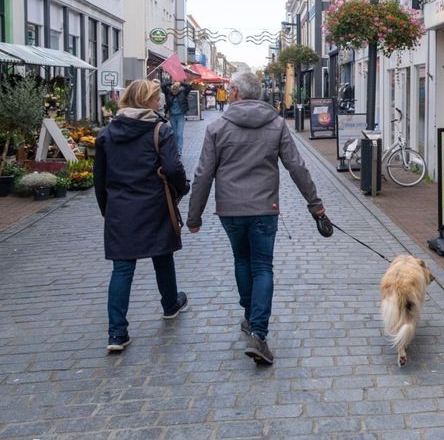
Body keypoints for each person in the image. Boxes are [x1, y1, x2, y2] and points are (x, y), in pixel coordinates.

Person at [186, 71, 327, 365]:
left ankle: (251, 319)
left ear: (235, 91)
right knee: (262, 267)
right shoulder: (275, 124)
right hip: (264, 209)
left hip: (231, 210)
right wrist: (315, 205)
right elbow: (297, 167)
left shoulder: (217, 128)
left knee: (242, 261)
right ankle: (259, 333)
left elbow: (202, 175)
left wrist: (194, 216)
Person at [94, 79, 190, 353]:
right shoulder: (160, 130)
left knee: (122, 268)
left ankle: (117, 333)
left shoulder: (107, 133)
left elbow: (99, 179)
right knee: (162, 256)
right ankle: (170, 304)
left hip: (121, 209)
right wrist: (182, 188)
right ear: (147, 101)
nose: (160, 103)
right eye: (157, 98)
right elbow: (172, 167)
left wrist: (107, 209)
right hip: (154, 204)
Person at [161, 79, 192, 156]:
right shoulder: (168, 93)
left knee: (179, 134)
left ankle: (179, 149)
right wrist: (171, 82)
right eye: (173, 89)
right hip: (172, 116)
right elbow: (162, 86)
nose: (174, 91)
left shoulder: (183, 93)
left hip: (180, 116)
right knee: (174, 134)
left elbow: (189, 86)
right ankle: (175, 149)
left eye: (175, 89)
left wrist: (180, 82)